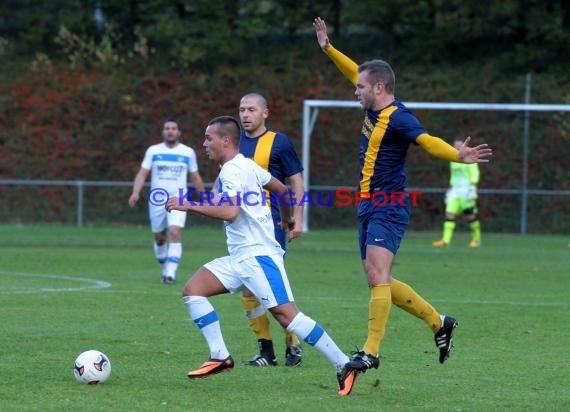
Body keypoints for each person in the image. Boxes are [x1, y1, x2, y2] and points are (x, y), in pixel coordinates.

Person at [313, 17, 492, 386]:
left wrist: (459, 156)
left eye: (362, 87)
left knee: (378, 276)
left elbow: (426, 141)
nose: (355, 90)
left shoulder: (399, 118)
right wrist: (329, 49)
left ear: (379, 88)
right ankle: (439, 322)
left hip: (388, 205)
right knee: (378, 279)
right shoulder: (372, 106)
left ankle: (371, 351)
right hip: (368, 205)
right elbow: (353, 73)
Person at [165, 116, 357, 396]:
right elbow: (281, 189)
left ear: (226, 141)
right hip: (239, 257)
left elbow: (231, 212)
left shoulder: (233, 170)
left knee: (288, 317)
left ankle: (344, 364)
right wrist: (287, 219)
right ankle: (220, 356)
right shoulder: (245, 165)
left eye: (209, 138)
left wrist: (188, 205)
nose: (204, 143)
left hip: (258, 257)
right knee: (193, 290)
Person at [238, 93, 305, 367]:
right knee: (248, 289)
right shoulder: (233, 141)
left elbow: (295, 182)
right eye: (242, 109)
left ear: (265, 113)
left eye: (251, 109)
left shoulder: (280, 142)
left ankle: (294, 342)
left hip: (271, 227)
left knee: (271, 288)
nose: (245, 114)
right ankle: (266, 351)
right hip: (241, 227)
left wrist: (297, 218)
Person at [128, 119, 206, 284]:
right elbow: (142, 173)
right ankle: (165, 269)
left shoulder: (188, 152)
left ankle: (170, 273)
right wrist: (135, 192)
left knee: (175, 232)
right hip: (157, 199)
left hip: (179, 198)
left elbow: (195, 176)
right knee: (159, 238)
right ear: (163, 132)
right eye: (167, 128)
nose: (170, 131)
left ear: (179, 132)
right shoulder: (153, 151)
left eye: (173, 128)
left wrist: (204, 197)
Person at [433, 139, 482, 248]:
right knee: (449, 214)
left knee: (470, 216)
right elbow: (453, 176)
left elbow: (474, 173)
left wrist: (473, 189)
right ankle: (445, 240)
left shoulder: (470, 159)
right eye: (456, 146)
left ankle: (476, 239)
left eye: (460, 146)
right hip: (455, 191)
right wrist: (450, 189)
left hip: (467, 190)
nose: (459, 148)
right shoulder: (453, 160)